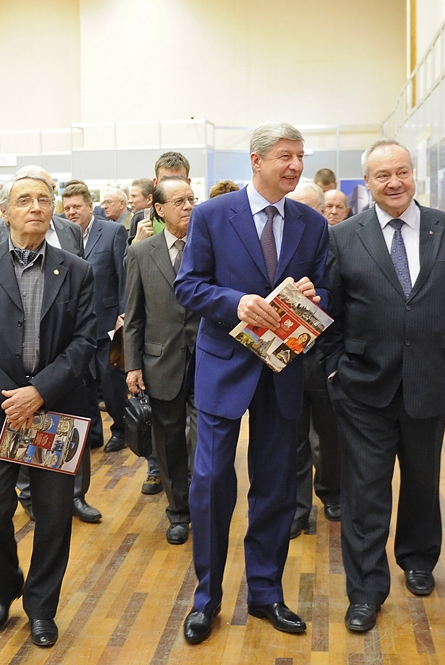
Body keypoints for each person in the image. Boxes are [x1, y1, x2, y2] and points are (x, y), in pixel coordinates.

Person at [323, 140, 445, 634]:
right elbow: (331, 313)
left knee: (421, 481)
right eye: (382, 175)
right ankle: (365, 591)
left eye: (402, 172)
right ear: (367, 183)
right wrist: (334, 371)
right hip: (362, 387)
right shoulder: (343, 237)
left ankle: (418, 559)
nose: (394, 182)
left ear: (413, 174)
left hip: (429, 382)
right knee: (365, 493)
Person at [174, 122, 329, 645]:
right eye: (285, 156)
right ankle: (206, 599)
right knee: (211, 481)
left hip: (281, 369)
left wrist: (314, 295)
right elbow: (188, 286)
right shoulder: (213, 215)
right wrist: (235, 302)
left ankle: (266, 593)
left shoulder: (312, 223)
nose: (296, 165)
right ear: (256, 160)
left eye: (300, 156)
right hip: (224, 366)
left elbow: (326, 290)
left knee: (276, 486)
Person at [0, 172, 96, 648]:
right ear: (6, 211)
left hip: (54, 411)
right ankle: (5, 586)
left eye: (43, 200)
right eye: (24, 200)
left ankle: (41, 606)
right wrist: (11, 398)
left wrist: (39, 393)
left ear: (53, 210)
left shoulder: (77, 270)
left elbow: (84, 341)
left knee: (53, 515)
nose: (35, 207)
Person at [124, 177, 200, 545]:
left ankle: (205, 505)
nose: (188, 207)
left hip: (206, 360)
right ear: (159, 209)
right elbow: (134, 316)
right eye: (179, 201)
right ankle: (178, 513)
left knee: (205, 441)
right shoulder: (141, 253)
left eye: (191, 199)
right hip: (161, 361)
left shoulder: (208, 247)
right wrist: (133, 365)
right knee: (168, 442)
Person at [286, 180, 343, 536]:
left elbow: (342, 295)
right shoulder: (275, 244)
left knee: (330, 434)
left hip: (325, 354)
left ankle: (332, 492)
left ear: (321, 212)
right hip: (287, 356)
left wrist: (319, 297)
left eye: (307, 208)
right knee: (292, 438)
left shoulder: (337, 243)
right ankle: (297, 508)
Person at [61, 180, 128, 458]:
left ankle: (121, 430)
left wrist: (123, 315)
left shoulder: (112, 232)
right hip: (77, 326)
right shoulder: (63, 235)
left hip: (108, 322)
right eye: (67, 208)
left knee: (111, 383)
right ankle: (93, 434)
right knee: (84, 384)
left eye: (77, 206)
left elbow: (123, 276)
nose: (72, 212)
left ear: (90, 206)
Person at [128, 178, 154, 243]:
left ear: (149, 199)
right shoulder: (137, 218)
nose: (130, 201)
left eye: (134, 196)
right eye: (130, 197)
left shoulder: (139, 217)